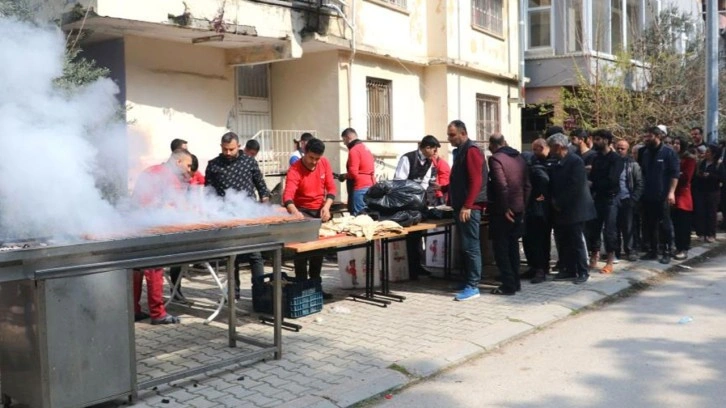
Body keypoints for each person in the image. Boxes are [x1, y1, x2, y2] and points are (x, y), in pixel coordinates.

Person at [205, 132, 270, 299]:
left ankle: (259, 292)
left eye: (231, 149)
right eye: (225, 149)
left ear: (238, 146)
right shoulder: (213, 165)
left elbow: (261, 185)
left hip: (249, 214)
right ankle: (234, 292)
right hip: (225, 216)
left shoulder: (249, 162)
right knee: (231, 256)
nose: (228, 153)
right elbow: (208, 192)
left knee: (255, 255)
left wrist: (265, 202)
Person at [131, 149, 193, 325]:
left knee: (136, 269)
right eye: (188, 165)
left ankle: (133, 309)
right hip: (151, 227)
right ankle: (158, 313)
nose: (188, 170)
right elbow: (173, 206)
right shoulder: (168, 177)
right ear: (178, 161)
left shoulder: (151, 170)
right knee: (154, 269)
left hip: (136, 224)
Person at [283, 137, 336, 299]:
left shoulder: (324, 163)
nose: (314, 162)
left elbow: (331, 188)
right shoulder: (295, 169)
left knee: (318, 252)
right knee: (302, 253)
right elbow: (287, 197)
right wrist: (294, 212)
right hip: (302, 212)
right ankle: (301, 288)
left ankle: (315, 288)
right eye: (311, 158)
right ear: (304, 153)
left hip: (318, 210)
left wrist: (326, 207)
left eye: (317, 159)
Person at [444, 120, 488, 301]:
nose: (449, 138)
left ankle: (473, 285)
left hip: (469, 208)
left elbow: (476, 181)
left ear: (463, 133)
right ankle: (467, 279)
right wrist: (445, 188)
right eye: (448, 135)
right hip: (462, 206)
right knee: (465, 246)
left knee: (471, 246)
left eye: (452, 135)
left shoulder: (471, 151)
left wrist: (468, 205)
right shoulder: (460, 152)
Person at [547, 133, 596, 284]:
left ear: (558, 146)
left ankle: (582, 271)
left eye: (552, 147)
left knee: (577, 242)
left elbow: (575, 187)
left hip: (576, 209)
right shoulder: (557, 161)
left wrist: (559, 202)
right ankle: (568, 269)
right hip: (561, 210)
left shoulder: (575, 161)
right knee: (564, 241)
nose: (550, 151)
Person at [487, 134, 530, 295]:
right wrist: (523, 206)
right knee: (513, 247)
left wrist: (505, 208)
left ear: (493, 144)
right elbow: (527, 185)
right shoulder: (519, 157)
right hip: (518, 209)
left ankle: (508, 284)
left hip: (502, 211)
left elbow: (501, 185)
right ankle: (515, 282)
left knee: (501, 249)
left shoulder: (496, 159)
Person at [394, 135, 442, 280]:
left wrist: (420, 198)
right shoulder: (407, 159)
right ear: (426, 148)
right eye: (433, 150)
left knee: (418, 235)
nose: (435, 153)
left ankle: (417, 265)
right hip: (405, 201)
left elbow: (425, 182)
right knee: (409, 235)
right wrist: (411, 196)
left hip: (418, 201)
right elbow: (399, 181)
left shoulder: (429, 162)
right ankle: (410, 268)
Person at [639, 126, 679, 264]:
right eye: (645, 136)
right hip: (648, 195)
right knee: (650, 224)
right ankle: (653, 250)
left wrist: (671, 192)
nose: (646, 139)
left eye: (649, 136)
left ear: (658, 136)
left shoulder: (669, 153)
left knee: (665, 225)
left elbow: (675, 174)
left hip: (663, 195)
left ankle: (667, 250)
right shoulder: (645, 153)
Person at [168, 152, 205, 305]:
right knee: (176, 259)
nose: (188, 177)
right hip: (175, 223)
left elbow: (201, 198)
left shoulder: (198, 177)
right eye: (187, 173)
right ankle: (175, 290)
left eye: (191, 174)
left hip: (191, 220)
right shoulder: (173, 178)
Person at [586, 129, 624, 274]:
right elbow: (593, 175)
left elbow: (612, 179)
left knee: (610, 231)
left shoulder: (616, 159)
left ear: (606, 140)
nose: (595, 142)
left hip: (610, 198)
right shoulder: (595, 158)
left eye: (598, 139)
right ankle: (594, 256)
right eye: (594, 139)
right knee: (594, 228)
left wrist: (594, 183)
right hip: (597, 198)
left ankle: (609, 260)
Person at [523, 138, 552, 284]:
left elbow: (544, 179)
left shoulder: (540, 164)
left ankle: (541, 269)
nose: (534, 152)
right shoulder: (535, 161)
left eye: (535, 149)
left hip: (540, 210)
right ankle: (535, 267)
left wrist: (541, 194)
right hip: (535, 208)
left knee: (539, 240)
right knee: (530, 239)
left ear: (541, 147)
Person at [614, 140, 643, 262]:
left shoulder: (633, 165)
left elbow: (640, 183)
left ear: (627, 150)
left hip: (627, 199)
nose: (620, 150)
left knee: (628, 227)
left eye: (623, 148)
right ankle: (614, 251)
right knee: (613, 227)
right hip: (614, 199)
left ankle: (630, 250)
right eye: (618, 148)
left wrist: (634, 199)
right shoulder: (612, 163)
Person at [670, 137, 696, 260]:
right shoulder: (672, 157)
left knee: (683, 225)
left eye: (678, 143)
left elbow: (686, 178)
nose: (675, 145)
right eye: (674, 143)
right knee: (675, 224)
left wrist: (675, 174)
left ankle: (683, 248)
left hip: (683, 196)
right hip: (672, 195)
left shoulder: (689, 159)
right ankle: (677, 246)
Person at [340, 128, 375, 215]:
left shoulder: (354, 150)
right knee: (368, 216)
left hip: (360, 188)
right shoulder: (365, 148)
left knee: (359, 218)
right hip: (371, 186)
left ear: (348, 137)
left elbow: (353, 174)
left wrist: (344, 176)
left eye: (344, 140)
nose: (344, 143)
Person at [692, 143, 721, 243]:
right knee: (700, 212)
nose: (706, 153)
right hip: (701, 190)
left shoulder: (718, 164)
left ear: (713, 154)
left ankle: (711, 233)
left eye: (708, 151)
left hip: (713, 192)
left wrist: (709, 175)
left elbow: (721, 178)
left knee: (711, 213)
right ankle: (701, 233)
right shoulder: (702, 163)